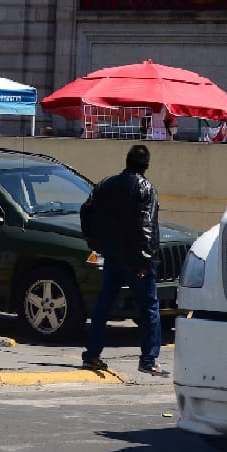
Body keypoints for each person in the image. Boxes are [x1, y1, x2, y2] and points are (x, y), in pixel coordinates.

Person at [81, 144, 169, 376]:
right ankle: (149, 359)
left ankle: (92, 355)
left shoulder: (106, 184)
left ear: (127, 161)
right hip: (135, 258)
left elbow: (86, 211)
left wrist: (94, 241)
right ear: (146, 165)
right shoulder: (146, 188)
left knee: (103, 305)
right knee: (149, 307)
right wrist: (144, 260)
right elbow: (146, 226)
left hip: (113, 255)